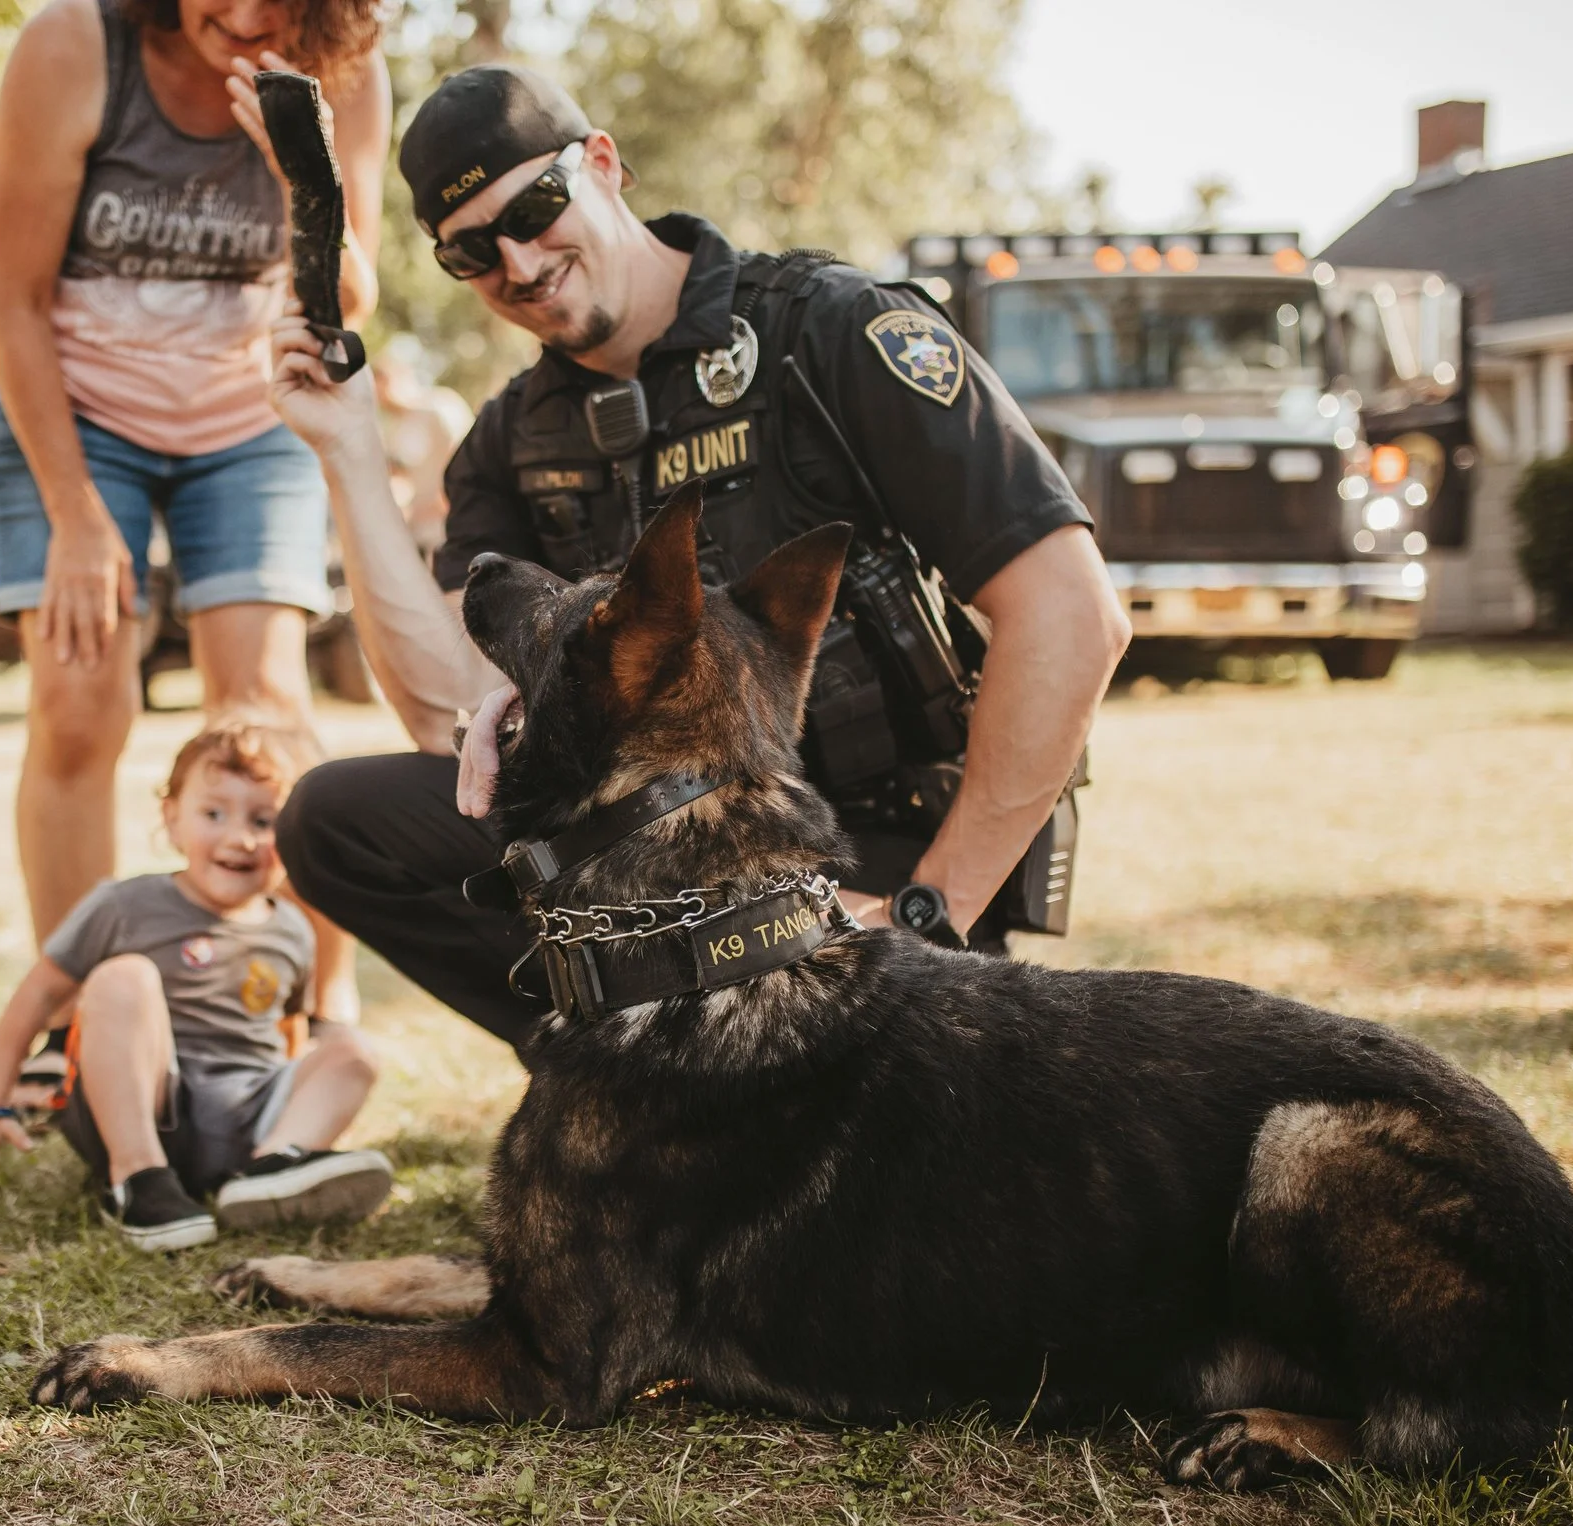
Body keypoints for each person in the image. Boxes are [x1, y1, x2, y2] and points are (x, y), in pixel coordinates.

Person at [265, 65, 1133, 1045]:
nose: (516, 260)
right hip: (651, 865)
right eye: (469, 252)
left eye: (538, 206)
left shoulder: (828, 332)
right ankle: (626, 1068)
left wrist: (931, 911)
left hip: (879, 857)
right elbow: (444, 712)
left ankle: (745, 1066)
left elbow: (1070, 612)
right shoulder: (511, 442)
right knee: (337, 820)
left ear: (602, 163)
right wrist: (346, 447)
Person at [0, 0, 389, 1052]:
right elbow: (15, 301)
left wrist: (306, 176)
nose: (246, 16)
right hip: (77, 412)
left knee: (267, 717)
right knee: (77, 701)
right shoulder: (74, 47)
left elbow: (349, 298)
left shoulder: (343, 68)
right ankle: (76, 1031)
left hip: (246, 421)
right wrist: (73, 512)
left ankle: (303, 1012)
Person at [0, 718, 389, 1251]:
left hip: (245, 1117)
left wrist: (304, 1111)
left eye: (264, 820)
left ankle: (269, 1171)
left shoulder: (292, 929)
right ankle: (138, 1178)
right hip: (147, 1111)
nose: (239, 838)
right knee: (122, 976)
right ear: (172, 820)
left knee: (351, 1053)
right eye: (213, 813)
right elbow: (36, 996)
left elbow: (289, 1031)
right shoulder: (124, 906)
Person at [371, 337, 472, 561]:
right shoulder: (395, 427)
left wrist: (440, 505)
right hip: (421, 533)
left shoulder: (441, 407)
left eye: (378, 387)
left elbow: (467, 463)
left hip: (454, 527)